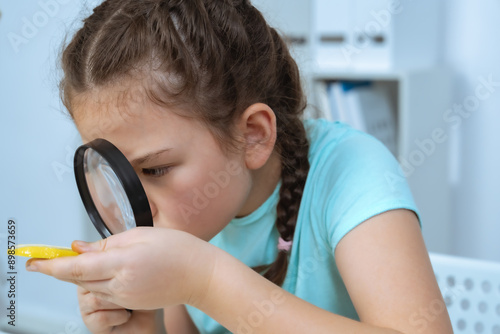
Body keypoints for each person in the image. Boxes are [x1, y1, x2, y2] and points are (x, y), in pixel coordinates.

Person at [27, 0, 453, 333]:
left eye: (155, 170)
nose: (136, 209)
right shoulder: (190, 219)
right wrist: (143, 328)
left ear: (253, 135)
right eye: (114, 170)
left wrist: (206, 280)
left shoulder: (352, 170)